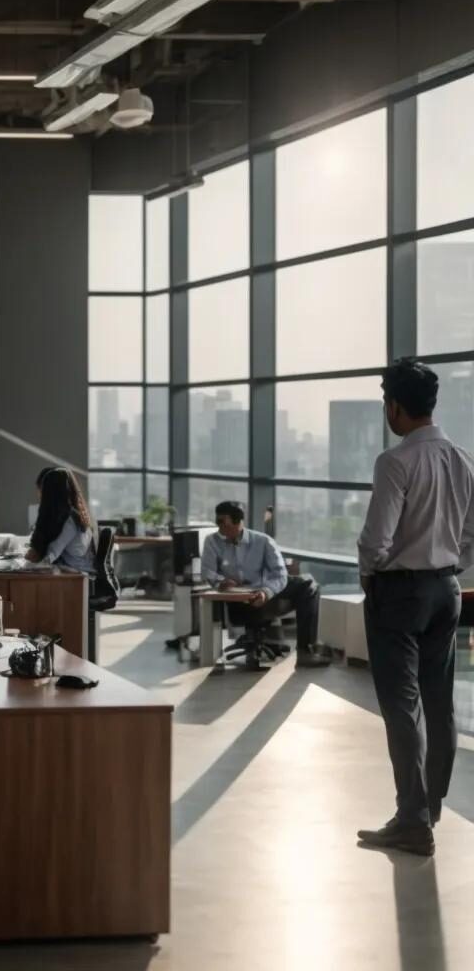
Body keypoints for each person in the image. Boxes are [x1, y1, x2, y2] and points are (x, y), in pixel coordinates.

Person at [353, 358, 474, 857]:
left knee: (401, 705)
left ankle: (411, 818)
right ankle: (431, 804)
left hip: (399, 593)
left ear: (395, 406)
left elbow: (375, 540)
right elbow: (470, 536)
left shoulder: (396, 462)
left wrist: (371, 576)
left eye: (387, 403)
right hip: (447, 590)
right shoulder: (463, 459)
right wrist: (448, 567)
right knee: (438, 699)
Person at [201, 499, 327, 668]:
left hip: (263, 594)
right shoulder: (212, 541)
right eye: (217, 521)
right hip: (238, 600)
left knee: (309, 584)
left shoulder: (263, 541)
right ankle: (288, 643)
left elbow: (280, 574)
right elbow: (207, 571)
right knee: (306, 583)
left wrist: (266, 592)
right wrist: (220, 581)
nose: (218, 526)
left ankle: (305, 649)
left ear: (237, 521)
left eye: (221, 522)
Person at [24, 466, 95, 574]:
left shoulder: (70, 521)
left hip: (78, 577)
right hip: (75, 573)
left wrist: (25, 562)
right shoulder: (71, 514)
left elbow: (50, 555)